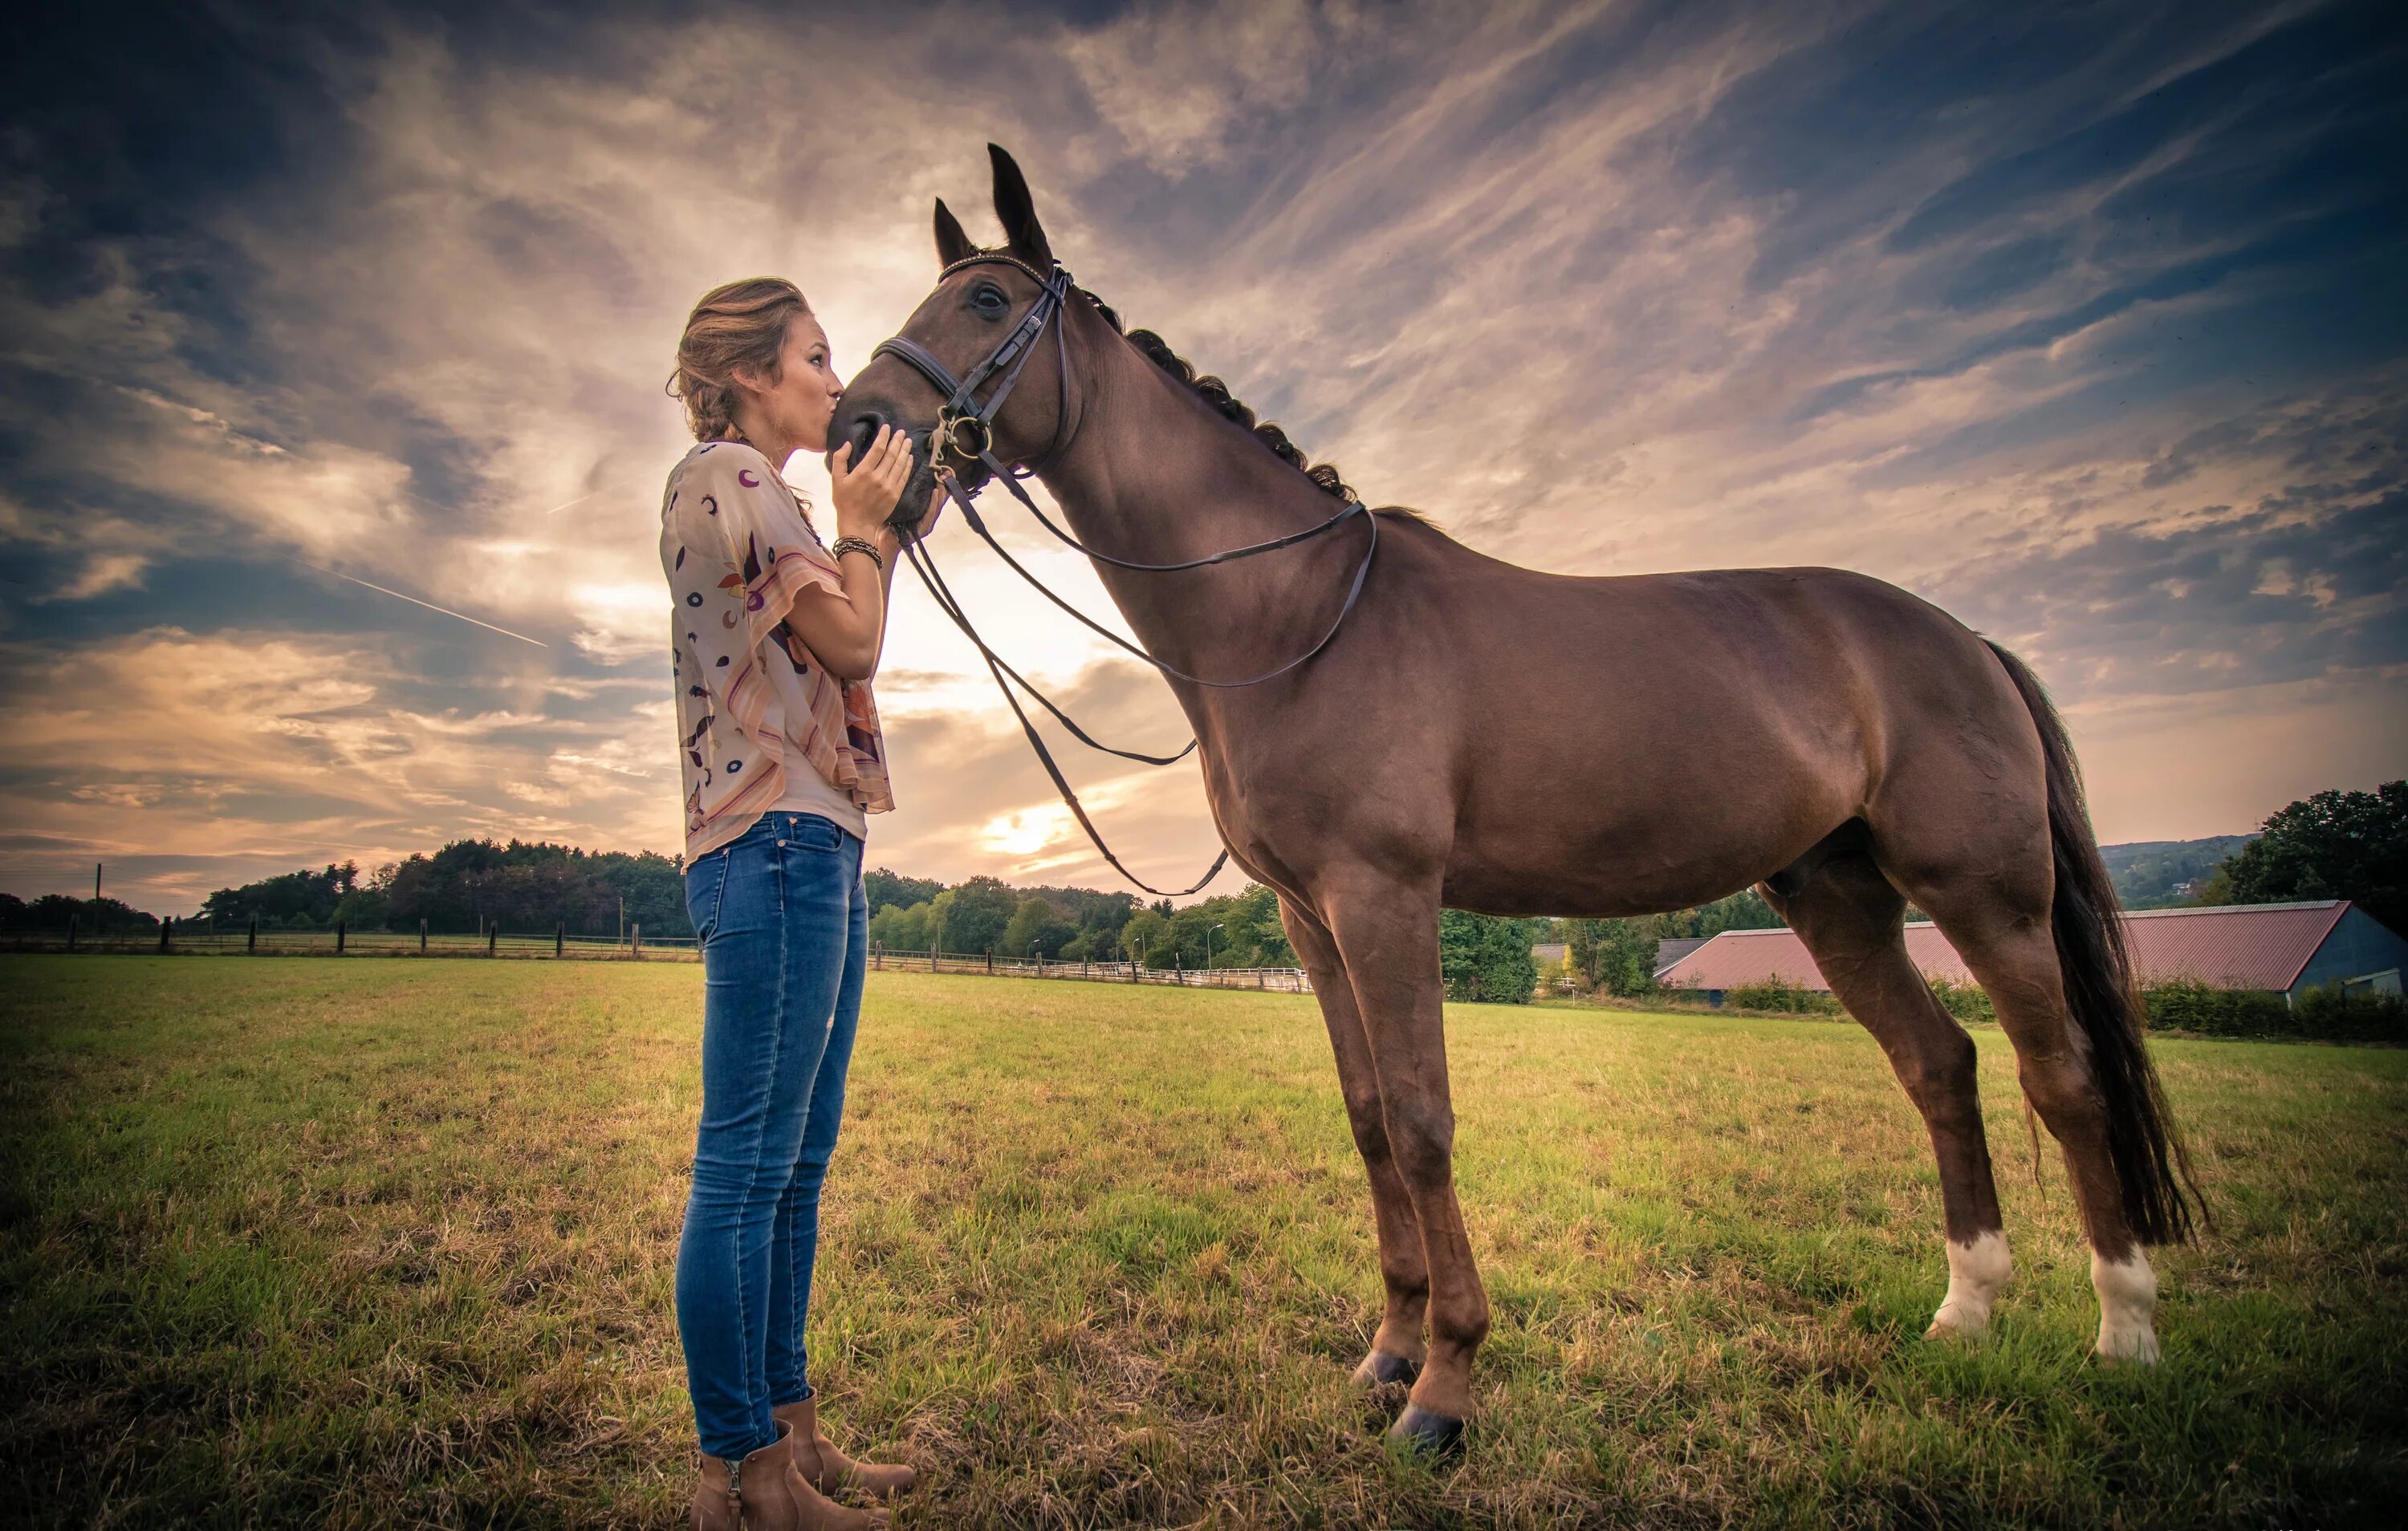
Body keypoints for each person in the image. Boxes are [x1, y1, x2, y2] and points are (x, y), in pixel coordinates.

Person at [661, 276, 934, 1530]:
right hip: (772, 845)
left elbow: (839, 628)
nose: (838, 381)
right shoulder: (730, 473)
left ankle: (791, 1434)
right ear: (755, 375)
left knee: (795, 1168)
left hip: (812, 844)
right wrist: (864, 522)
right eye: (817, 358)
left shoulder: (756, 492)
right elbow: (857, 641)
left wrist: (861, 526)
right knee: (746, 1170)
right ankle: (742, 1480)